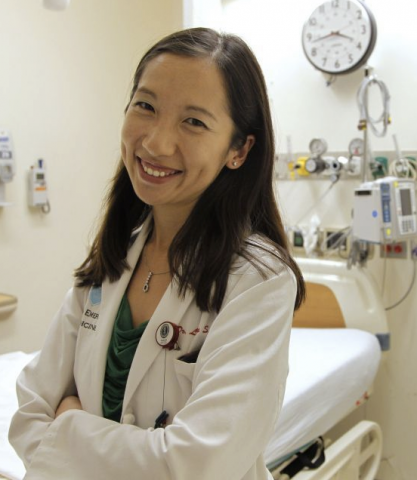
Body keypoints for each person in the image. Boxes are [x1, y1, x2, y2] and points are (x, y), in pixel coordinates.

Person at [9, 27, 305, 480]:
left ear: (240, 149)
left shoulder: (257, 280)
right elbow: (30, 412)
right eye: (145, 106)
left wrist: (69, 424)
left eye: (194, 121)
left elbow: (198, 463)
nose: (155, 143)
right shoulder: (114, 256)